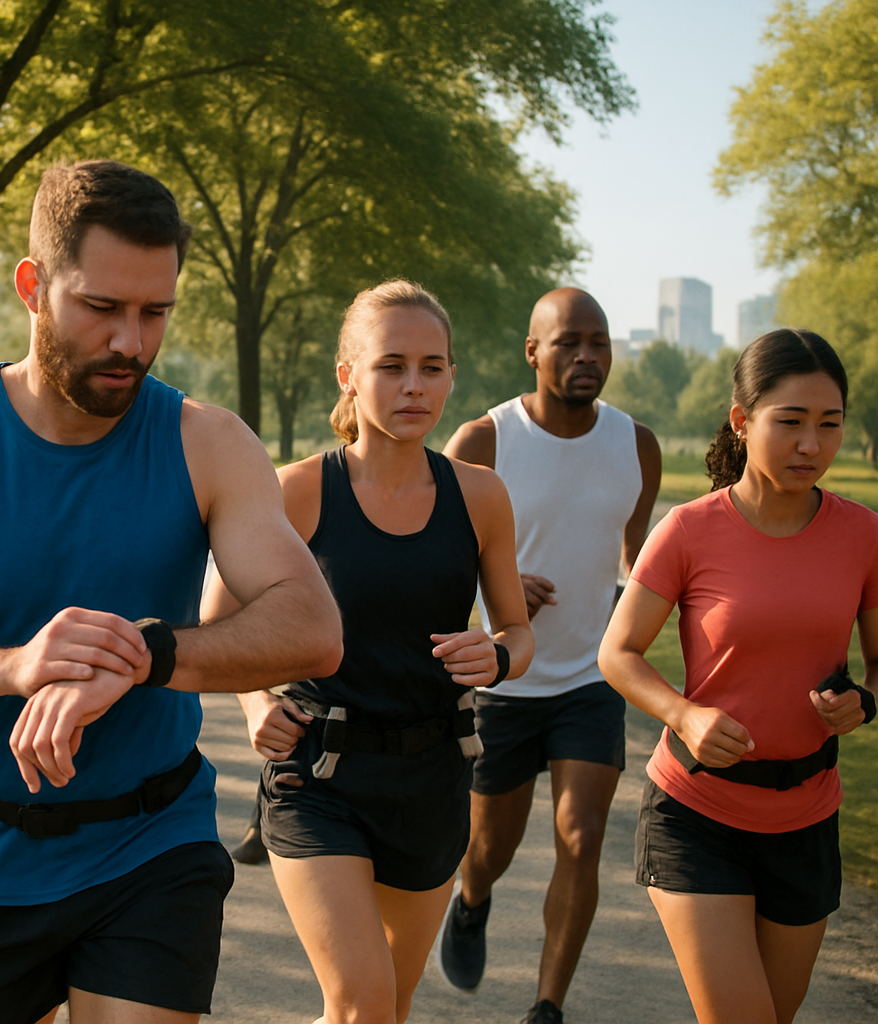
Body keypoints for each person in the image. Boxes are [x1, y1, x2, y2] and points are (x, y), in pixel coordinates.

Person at [0, 160, 343, 1024]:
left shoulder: (208, 443)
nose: (132, 342)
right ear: (34, 287)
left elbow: (311, 627)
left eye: (155, 312)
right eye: (102, 308)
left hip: (153, 847)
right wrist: (12, 669)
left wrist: (145, 653)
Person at [202, 279, 534, 1024]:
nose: (414, 386)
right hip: (318, 776)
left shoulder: (481, 496)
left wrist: (501, 657)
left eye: (432, 366)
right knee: (359, 1001)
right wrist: (258, 703)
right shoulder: (297, 492)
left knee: (390, 1004)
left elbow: (518, 631)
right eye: (391, 366)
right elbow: (216, 618)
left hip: (434, 780)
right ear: (349, 375)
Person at [598, 329, 878, 1024]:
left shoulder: (863, 534)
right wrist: (685, 715)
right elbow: (619, 653)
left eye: (829, 424)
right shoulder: (689, 531)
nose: (811, 444)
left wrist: (865, 702)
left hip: (808, 814)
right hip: (697, 813)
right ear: (741, 422)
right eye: (790, 422)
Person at [437, 287, 661, 1024]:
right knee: (489, 849)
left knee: (582, 835)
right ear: (533, 352)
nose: (587, 356)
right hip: (503, 679)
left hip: (591, 680)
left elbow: (636, 563)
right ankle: (471, 903)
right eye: (568, 343)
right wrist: (496, 587)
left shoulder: (637, 445)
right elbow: (434, 560)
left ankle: (547, 1007)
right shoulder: (483, 442)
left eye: (598, 342)